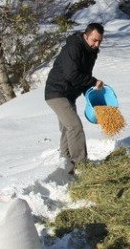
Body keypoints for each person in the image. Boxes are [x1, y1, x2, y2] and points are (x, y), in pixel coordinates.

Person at [45, 23, 105, 173]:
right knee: (75, 126)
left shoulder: (91, 51)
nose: (96, 44)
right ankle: (80, 165)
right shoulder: (73, 48)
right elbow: (71, 75)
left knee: (67, 128)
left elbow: (83, 75)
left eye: (99, 41)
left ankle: (65, 162)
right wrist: (92, 82)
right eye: (94, 40)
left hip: (69, 94)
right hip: (57, 92)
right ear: (86, 35)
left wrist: (91, 92)